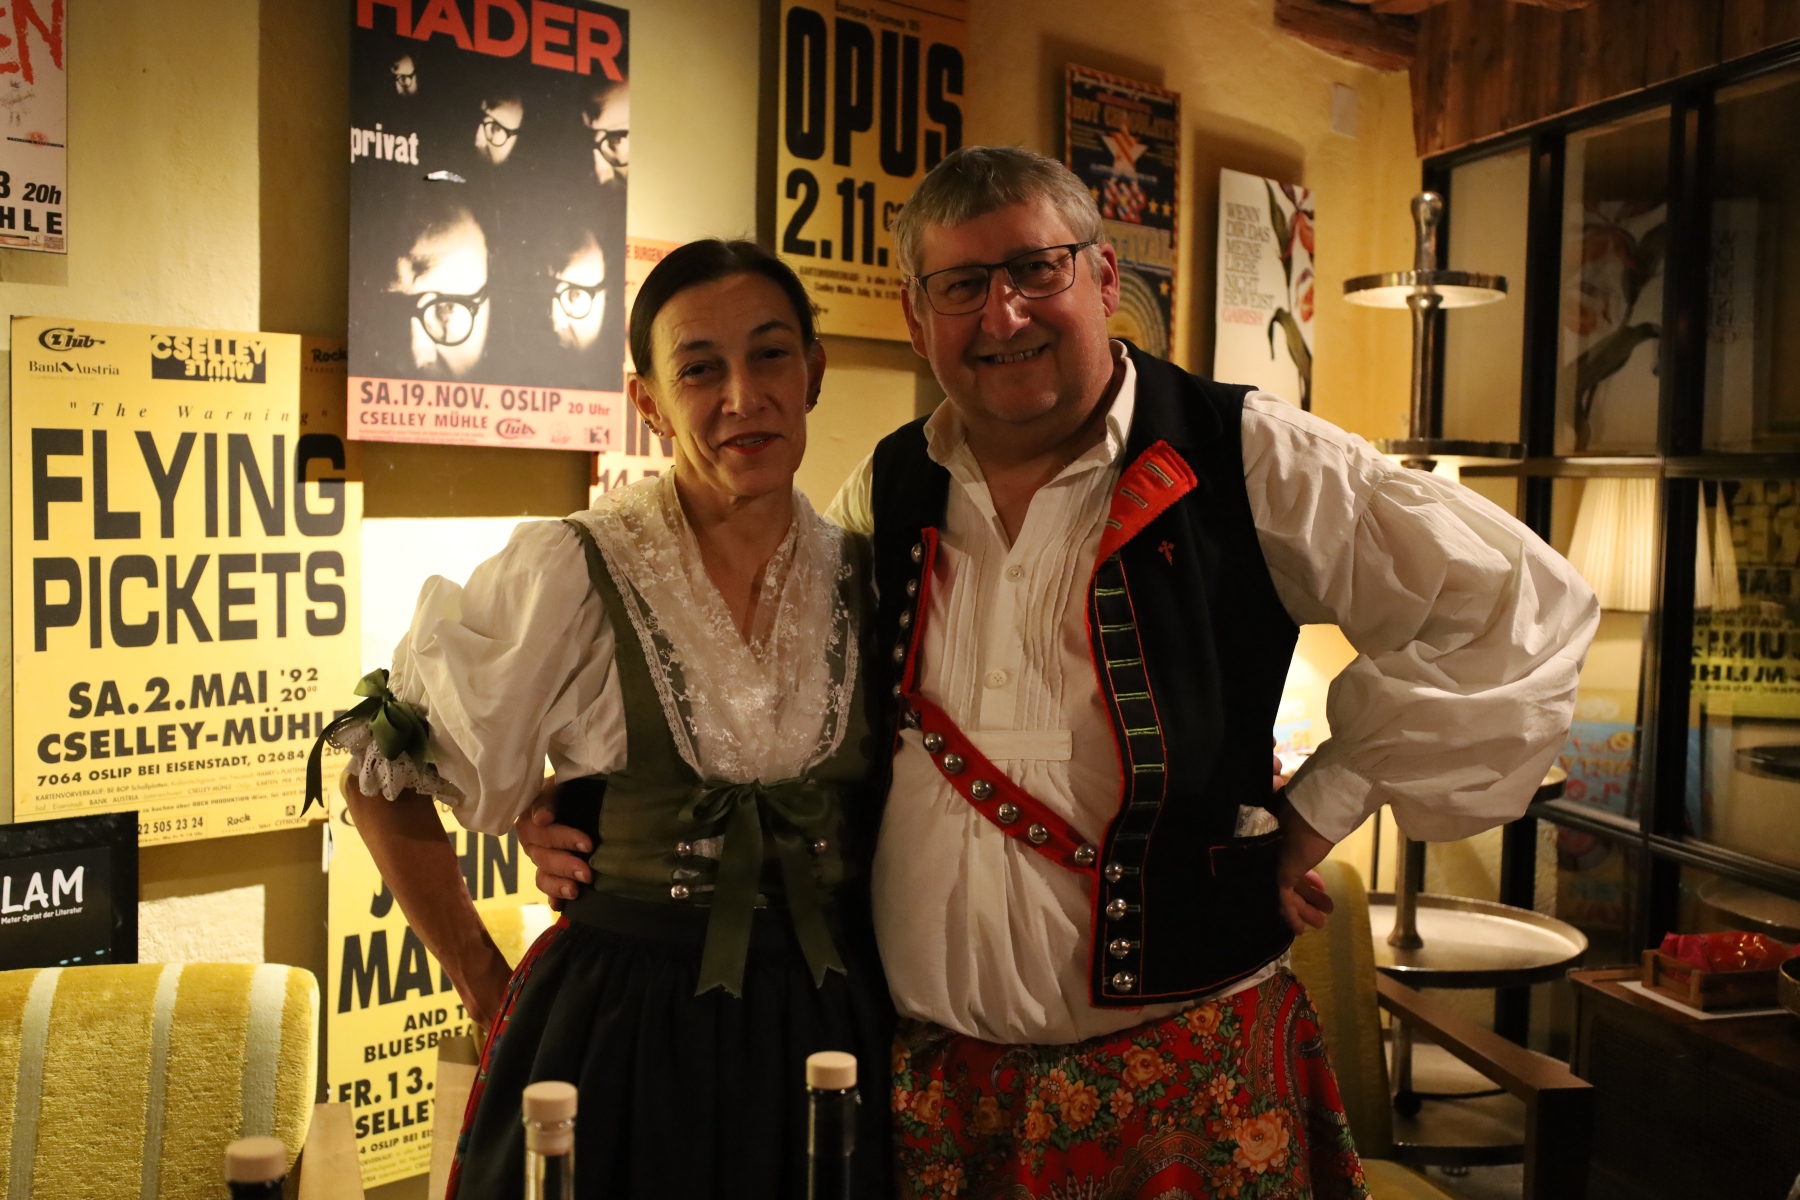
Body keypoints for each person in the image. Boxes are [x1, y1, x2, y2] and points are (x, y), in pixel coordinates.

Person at [523, 146, 1599, 1199]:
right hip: (936, 1097)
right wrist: (577, 804)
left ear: (1103, 277)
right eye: (962, 286)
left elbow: (1515, 606)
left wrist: (1319, 810)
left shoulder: (1247, 455)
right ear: (917, 317)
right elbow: (762, 685)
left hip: (1189, 1088)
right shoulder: (886, 490)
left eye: (1037, 269)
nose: (1004, 316)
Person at [315, 239, 893, 1200]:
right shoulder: (572, 569)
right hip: (619, 1027)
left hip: (828, 1024)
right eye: (699, 369)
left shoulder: (870, 576)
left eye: (771, 354)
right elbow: (381, 780)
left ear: (815, 371)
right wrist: (486, 985)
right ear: (648, 401)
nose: (742, 396)